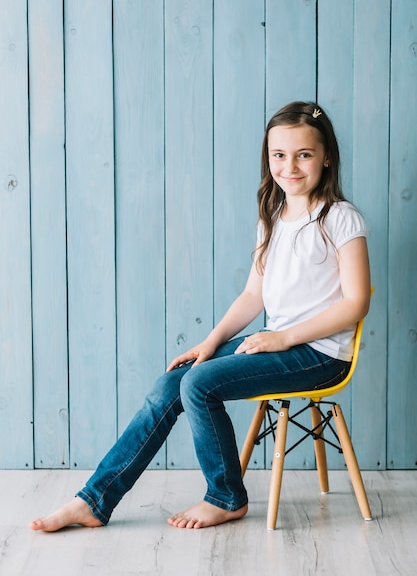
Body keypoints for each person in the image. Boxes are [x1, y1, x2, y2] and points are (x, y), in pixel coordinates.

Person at [30, 100, 370, 532]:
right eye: (278, 155)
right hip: (276, 342)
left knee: (199, 384)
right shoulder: (275, 216)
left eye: (303, 154)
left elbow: (355, 304)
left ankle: (226, 496)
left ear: (326, 157)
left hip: (319, 354)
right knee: (173, 381)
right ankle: (95, 500)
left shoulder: (340, 219)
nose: (290, 167)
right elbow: (253, 293)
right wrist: (210, 343)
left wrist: (283, 339)